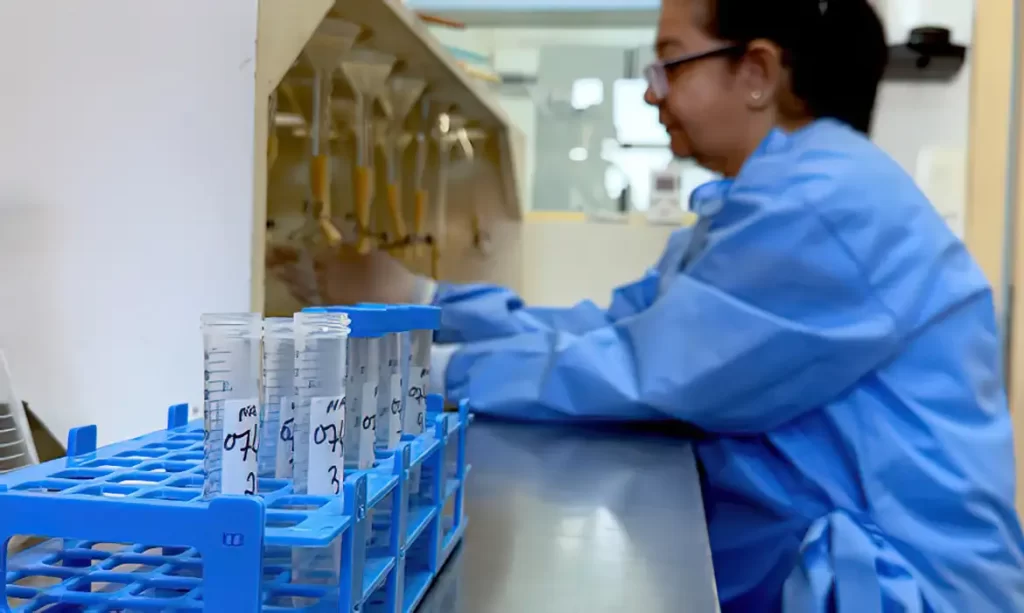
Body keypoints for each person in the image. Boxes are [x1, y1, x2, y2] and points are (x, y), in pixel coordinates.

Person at [270, 0, 1024, 610]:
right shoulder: (766, 197)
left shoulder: (824, 206)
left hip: (906, 589)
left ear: (756, 72)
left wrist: (418, 370)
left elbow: (642, 369)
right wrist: (428, 302)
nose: (650, 90)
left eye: (669, 62)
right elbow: (612, 325)